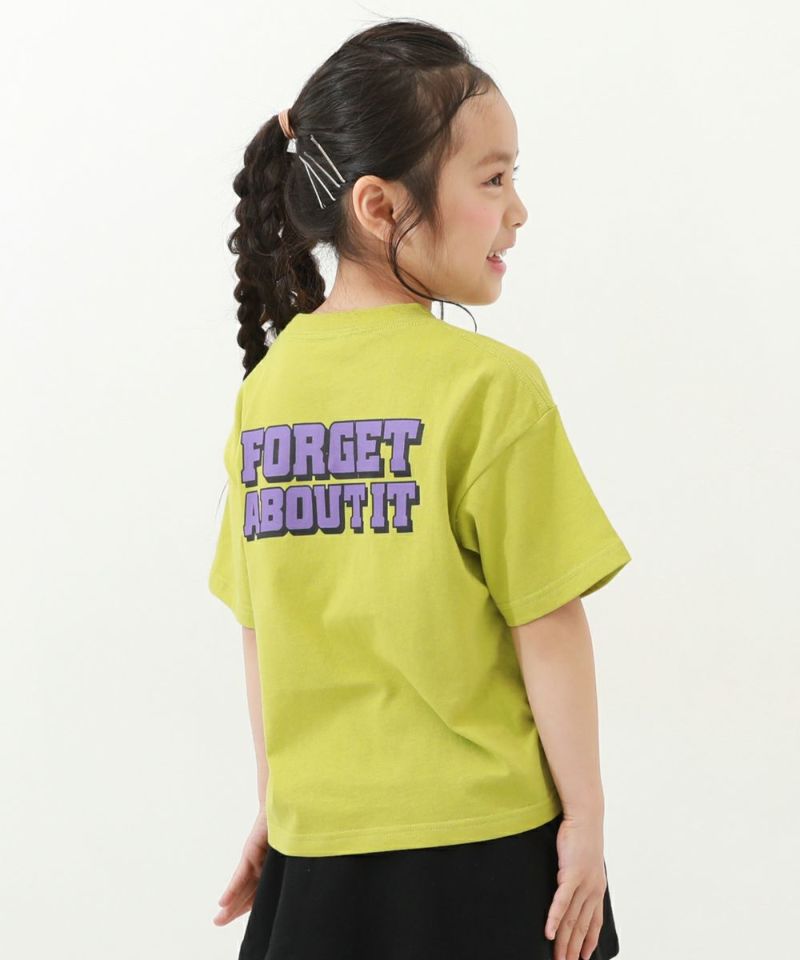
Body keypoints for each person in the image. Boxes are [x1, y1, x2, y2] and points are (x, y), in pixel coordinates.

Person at [208, 17, 631, 960]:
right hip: (486, 857)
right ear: (378, 205)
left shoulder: (267, 395)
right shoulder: (489, 388)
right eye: (493, 179)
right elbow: (547, 622)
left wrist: (277, 806)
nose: (518, 210)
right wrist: (587, 819)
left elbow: (261, 628)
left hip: (317, 865)